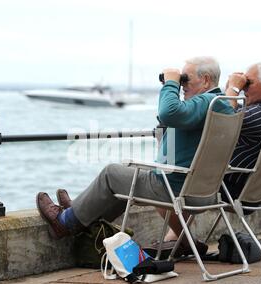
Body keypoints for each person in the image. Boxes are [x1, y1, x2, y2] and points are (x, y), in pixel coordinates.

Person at [36, 56, 234, 257]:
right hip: (204, 192)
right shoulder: (223, 105)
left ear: (207, 80)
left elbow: (168, 112)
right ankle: (83, 217)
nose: (182, 85)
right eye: (180, 81)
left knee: (111, 173)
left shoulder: (205, 102)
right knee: (127, 177)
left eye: (185, 79)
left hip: (174, 187)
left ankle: (64, 222)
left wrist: (171, 83)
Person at [157, 61, 261, 250]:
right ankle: (175, 240)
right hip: (253, 188)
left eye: (248, 84)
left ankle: (183, 242)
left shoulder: (260, 113)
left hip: (230, 188)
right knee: (191, 170)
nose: (244, 89)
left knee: (165, 183)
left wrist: (232, 87)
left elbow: (225, 115)